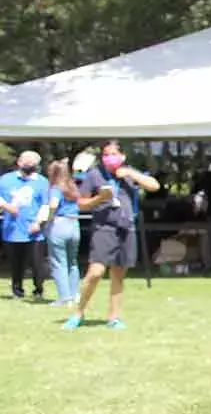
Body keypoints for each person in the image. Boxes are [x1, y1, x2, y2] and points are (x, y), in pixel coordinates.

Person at [64, 141, 161, 330]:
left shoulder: (129, 173)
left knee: (118, 274)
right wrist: (100, 198)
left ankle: (114, 317)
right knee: (96, 272)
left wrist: (131, 174)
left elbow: (154, 186)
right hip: (104, 227)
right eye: (106, 155)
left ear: (123, 156)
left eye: (113, 154)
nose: (109, 158)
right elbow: (81, 204)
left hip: (126, 227)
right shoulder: (94, 175)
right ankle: (78, 313)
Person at [0, 150, 51, 300]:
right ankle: (17, 290)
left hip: (34, 230)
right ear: (19, 162)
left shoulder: (41, 182)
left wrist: (38, 222)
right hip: (12, 229)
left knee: (37, 263)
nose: (28, 165)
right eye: (26, 162)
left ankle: (38, 289)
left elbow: (45, 205)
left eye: (32, 163)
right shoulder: (6, 180)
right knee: (16, 263)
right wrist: (6, 206)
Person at [45, 157, 83, 307]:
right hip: (74, 224)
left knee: (58, 262)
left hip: (59, 224)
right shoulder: (73, 188)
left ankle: (64, 297)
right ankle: (75, 295)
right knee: (72, 262)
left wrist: (48, 219)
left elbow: (53, 205)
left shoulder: (55, 188)